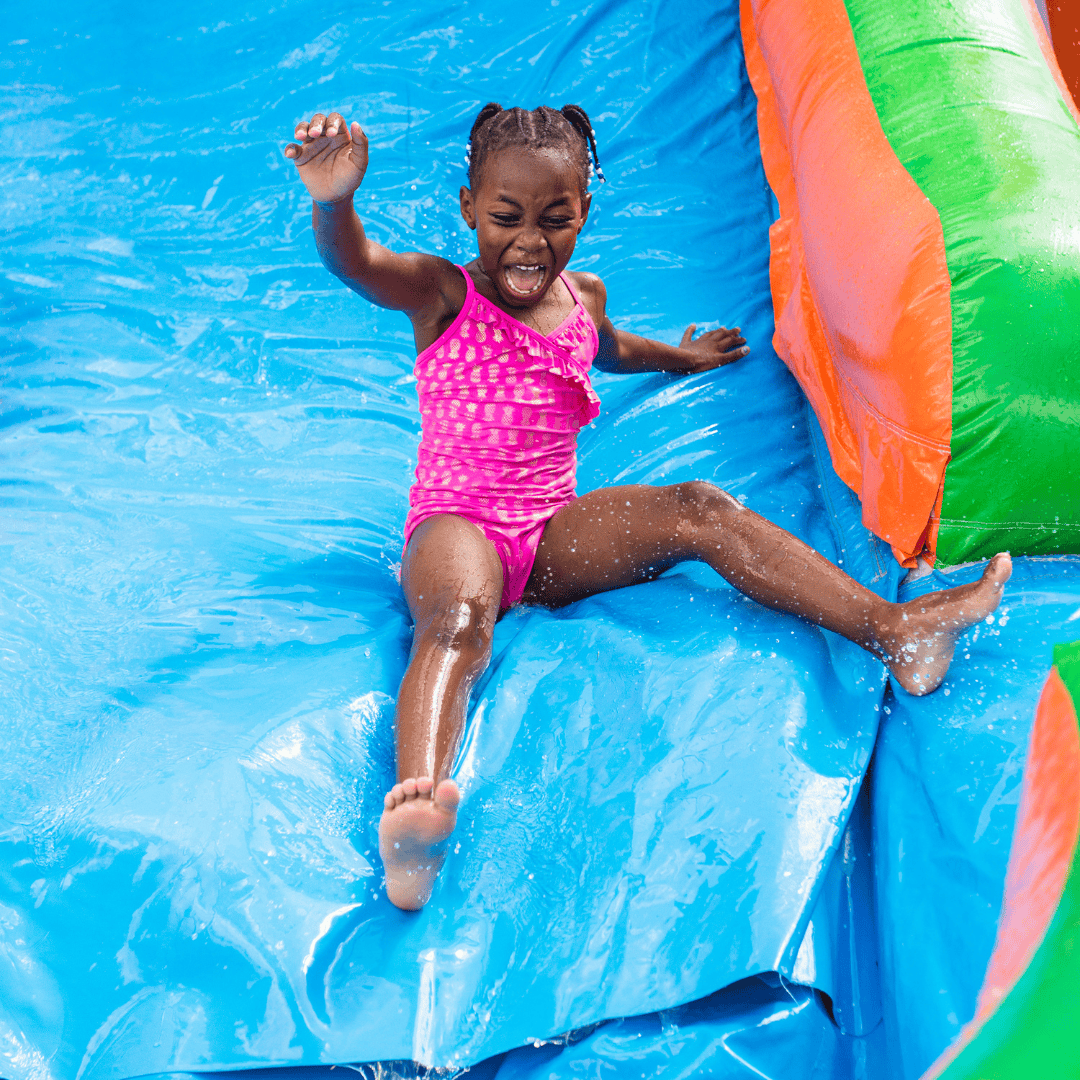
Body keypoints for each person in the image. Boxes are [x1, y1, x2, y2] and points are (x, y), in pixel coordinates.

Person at [284, 102, 1011, 911]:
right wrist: (334, 200)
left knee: (698, 506)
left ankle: (895, 630)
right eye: (505, 218)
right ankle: (417, 813)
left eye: (556, 218)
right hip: (458, 527)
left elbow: (610, 346)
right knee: (457, 619)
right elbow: (357, 262)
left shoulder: (580, 296)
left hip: (548, 536)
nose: (530, 241)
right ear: (468, 209)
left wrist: (683, 355)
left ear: (584, 213)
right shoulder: (441, 293)